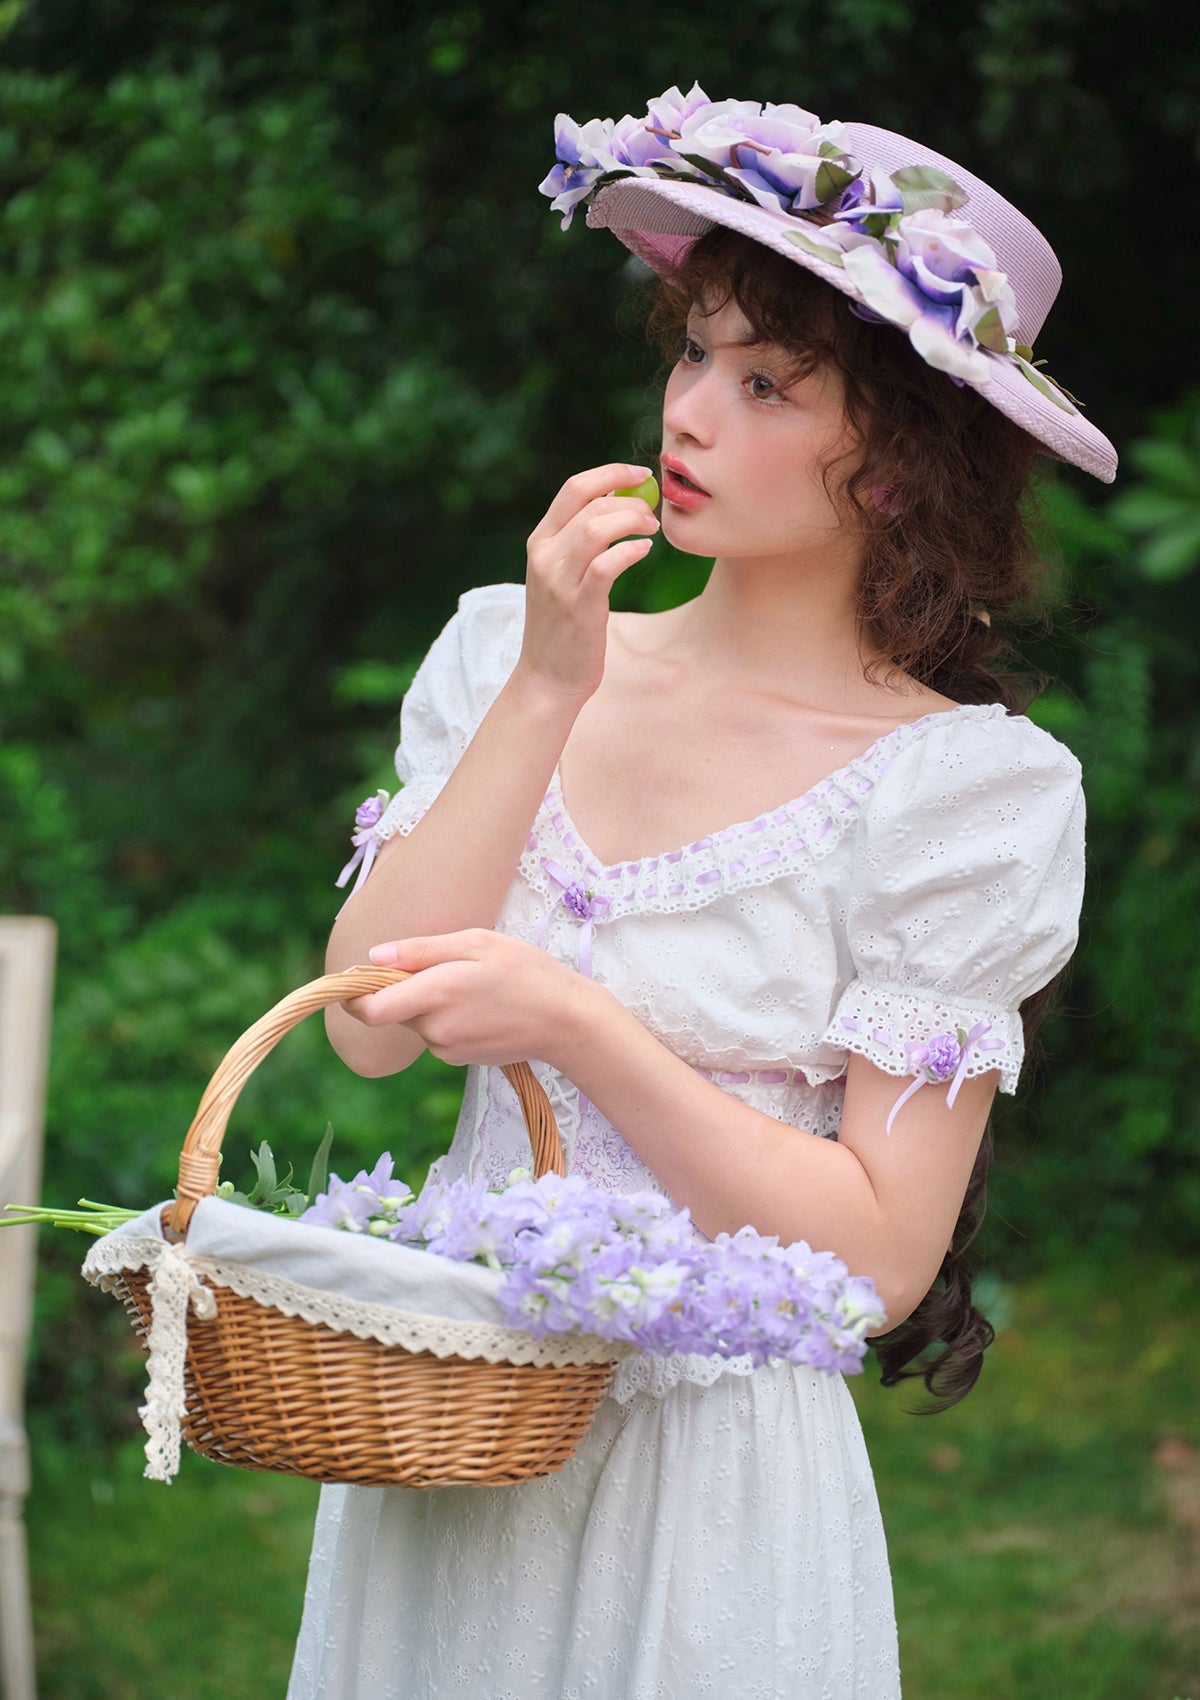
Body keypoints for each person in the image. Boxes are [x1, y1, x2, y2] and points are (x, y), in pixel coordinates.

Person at [288, 86, 1116, 1699]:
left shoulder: (967, 797)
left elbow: (880, 1260)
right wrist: (545, 688)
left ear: (900, 464)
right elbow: (372, 1027)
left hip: (712, 1485)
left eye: (766, 383)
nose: (692, 412)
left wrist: (583, 1030)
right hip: (450, 1422)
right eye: (692, 353)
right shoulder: (503, 651)